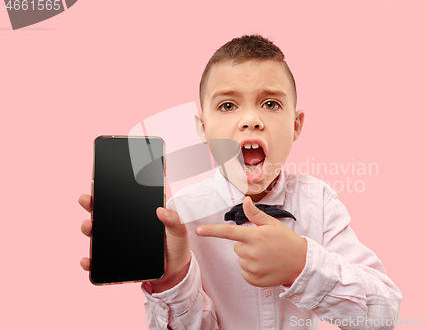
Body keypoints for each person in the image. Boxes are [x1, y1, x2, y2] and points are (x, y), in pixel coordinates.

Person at [79, 34, 402, 330]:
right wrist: (173, 280)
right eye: (228, 105)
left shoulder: (318, 201)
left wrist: (303, 266)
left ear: (296, 125)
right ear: (203, 129)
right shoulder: (181, 214)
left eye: (271, 104)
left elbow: (383, 316)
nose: (251, 120)